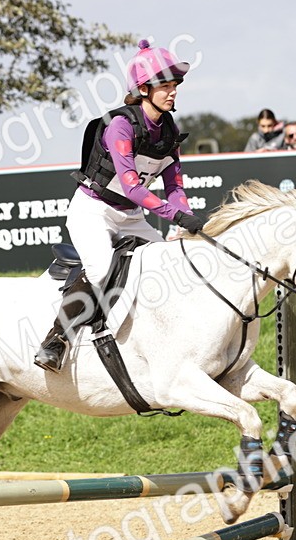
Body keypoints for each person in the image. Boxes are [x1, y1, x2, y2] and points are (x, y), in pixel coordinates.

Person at [34, 39, 205, 372]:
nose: (173, 92)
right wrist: (175, 215)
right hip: (93, 210)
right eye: (165, 86)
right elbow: (132, 187)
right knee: (100, 269)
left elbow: (174, 186)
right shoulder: (120, 126)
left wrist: (186, 215)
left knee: (170, 266)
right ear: (143, 89)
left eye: (175, 85)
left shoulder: (170, 132)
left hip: (130, 216)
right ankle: (55, 341)